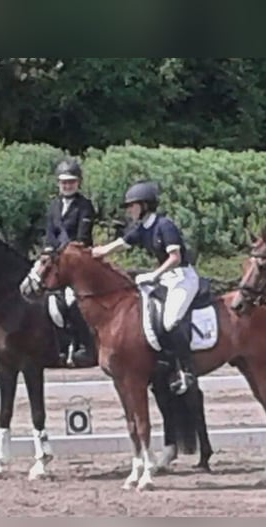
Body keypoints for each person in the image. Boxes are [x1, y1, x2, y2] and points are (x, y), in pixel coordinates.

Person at [91, 180, 199, 395]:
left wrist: (153, 275)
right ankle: (157, 360)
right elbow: (122, 243)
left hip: (182, 278)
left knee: (169, 321)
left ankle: (184, 370)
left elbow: (175, 257)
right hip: (165, 279)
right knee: (142, 315)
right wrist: (101, 251)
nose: (129, 210)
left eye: (132, 206)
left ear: (144, 205)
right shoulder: (142, 228)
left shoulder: (164, 225)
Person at [44, 158, 96, 366]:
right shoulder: (54, 206)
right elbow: (49, 233)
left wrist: (62, 252)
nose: (67, 186)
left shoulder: (85, 206)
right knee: (44, 299)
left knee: (72, 300)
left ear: (78, 183)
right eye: (64, 182)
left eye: (71, 182)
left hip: (78, 262)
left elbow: (82, 238)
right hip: (55, 260)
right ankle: (60, 346)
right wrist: (48, 251)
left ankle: (86, 346)